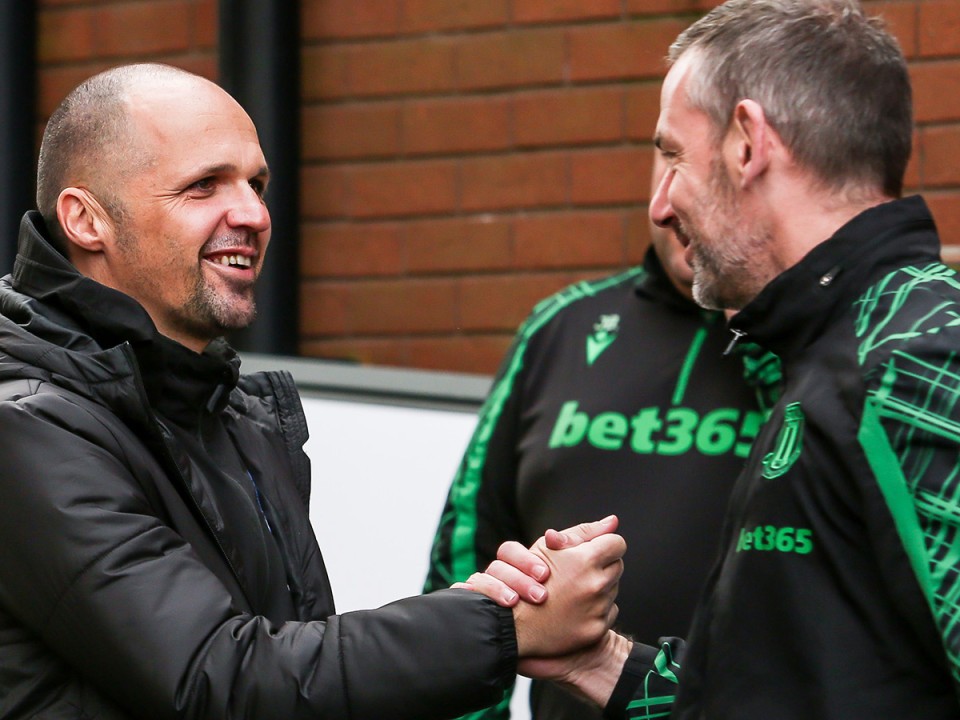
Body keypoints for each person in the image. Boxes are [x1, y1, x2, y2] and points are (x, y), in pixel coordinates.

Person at [0, 62, 627, 720]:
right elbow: (222, 679)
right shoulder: (30, 424)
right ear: (86, 220)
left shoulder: (221, 407)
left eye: (256, 184)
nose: (253, 214)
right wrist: (500, 625)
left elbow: (288, 659)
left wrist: (494, 610)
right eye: (203, 186)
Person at [480, 0, 960, 717]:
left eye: (673, 155)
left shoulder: (918, 358)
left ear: (746, 143)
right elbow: (776, 688)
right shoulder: (828, 346)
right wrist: (594, 660)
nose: (661, 204)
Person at [424, 153, 779, 720]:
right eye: (667, 159)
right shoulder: (561, 326)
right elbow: (465, 557)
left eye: (700, 165)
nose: (669, 200)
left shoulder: (814, 350)